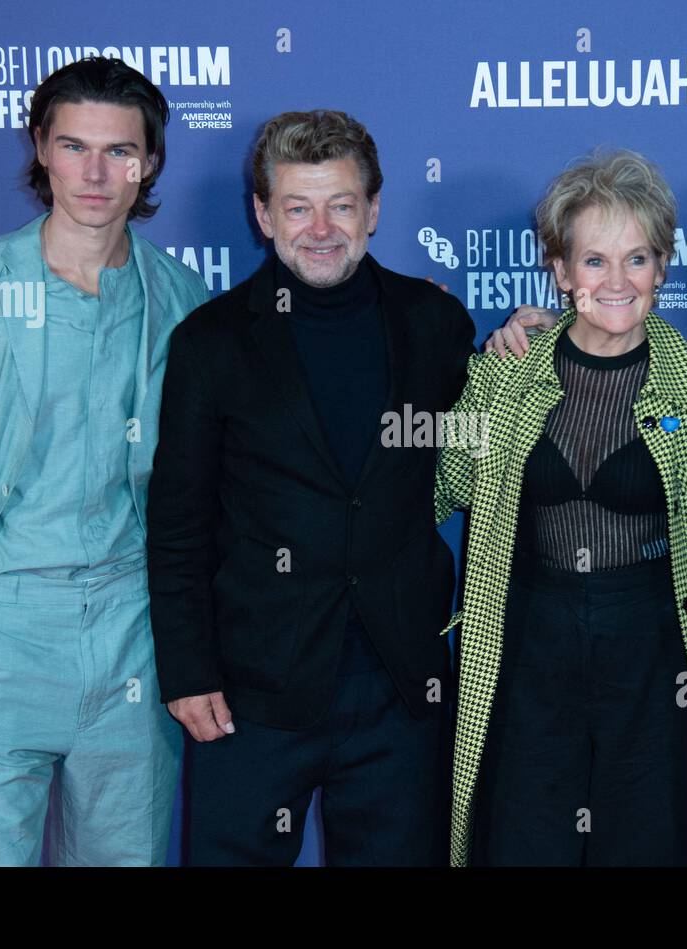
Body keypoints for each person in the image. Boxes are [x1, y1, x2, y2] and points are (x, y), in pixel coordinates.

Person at [0, 57, 209, 865]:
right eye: (73, 147)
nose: (96, 173)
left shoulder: (184, 302)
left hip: (133, 635)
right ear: (39, 149)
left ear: (152, 161)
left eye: (120, 152)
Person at [147, 110, 476, 865]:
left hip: (402, 690)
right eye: (298, 207)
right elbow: (179, 523)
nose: (320, 228)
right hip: (252, 692)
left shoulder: (435, 323)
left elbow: (488, 448)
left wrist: (530, 339)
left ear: (375, 210)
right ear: (263, 215)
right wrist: (189, 670)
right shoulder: (212, 340)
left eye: (341, 205)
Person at [436, 149, 687, 867]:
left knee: (647, 843)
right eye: (593, 261)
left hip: (654, 648)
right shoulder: (502, 375)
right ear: (561, 269)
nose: (616, 281)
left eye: (637, 259)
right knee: (522, 840)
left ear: (663, 268)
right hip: (528, 643)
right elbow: (440, 488)